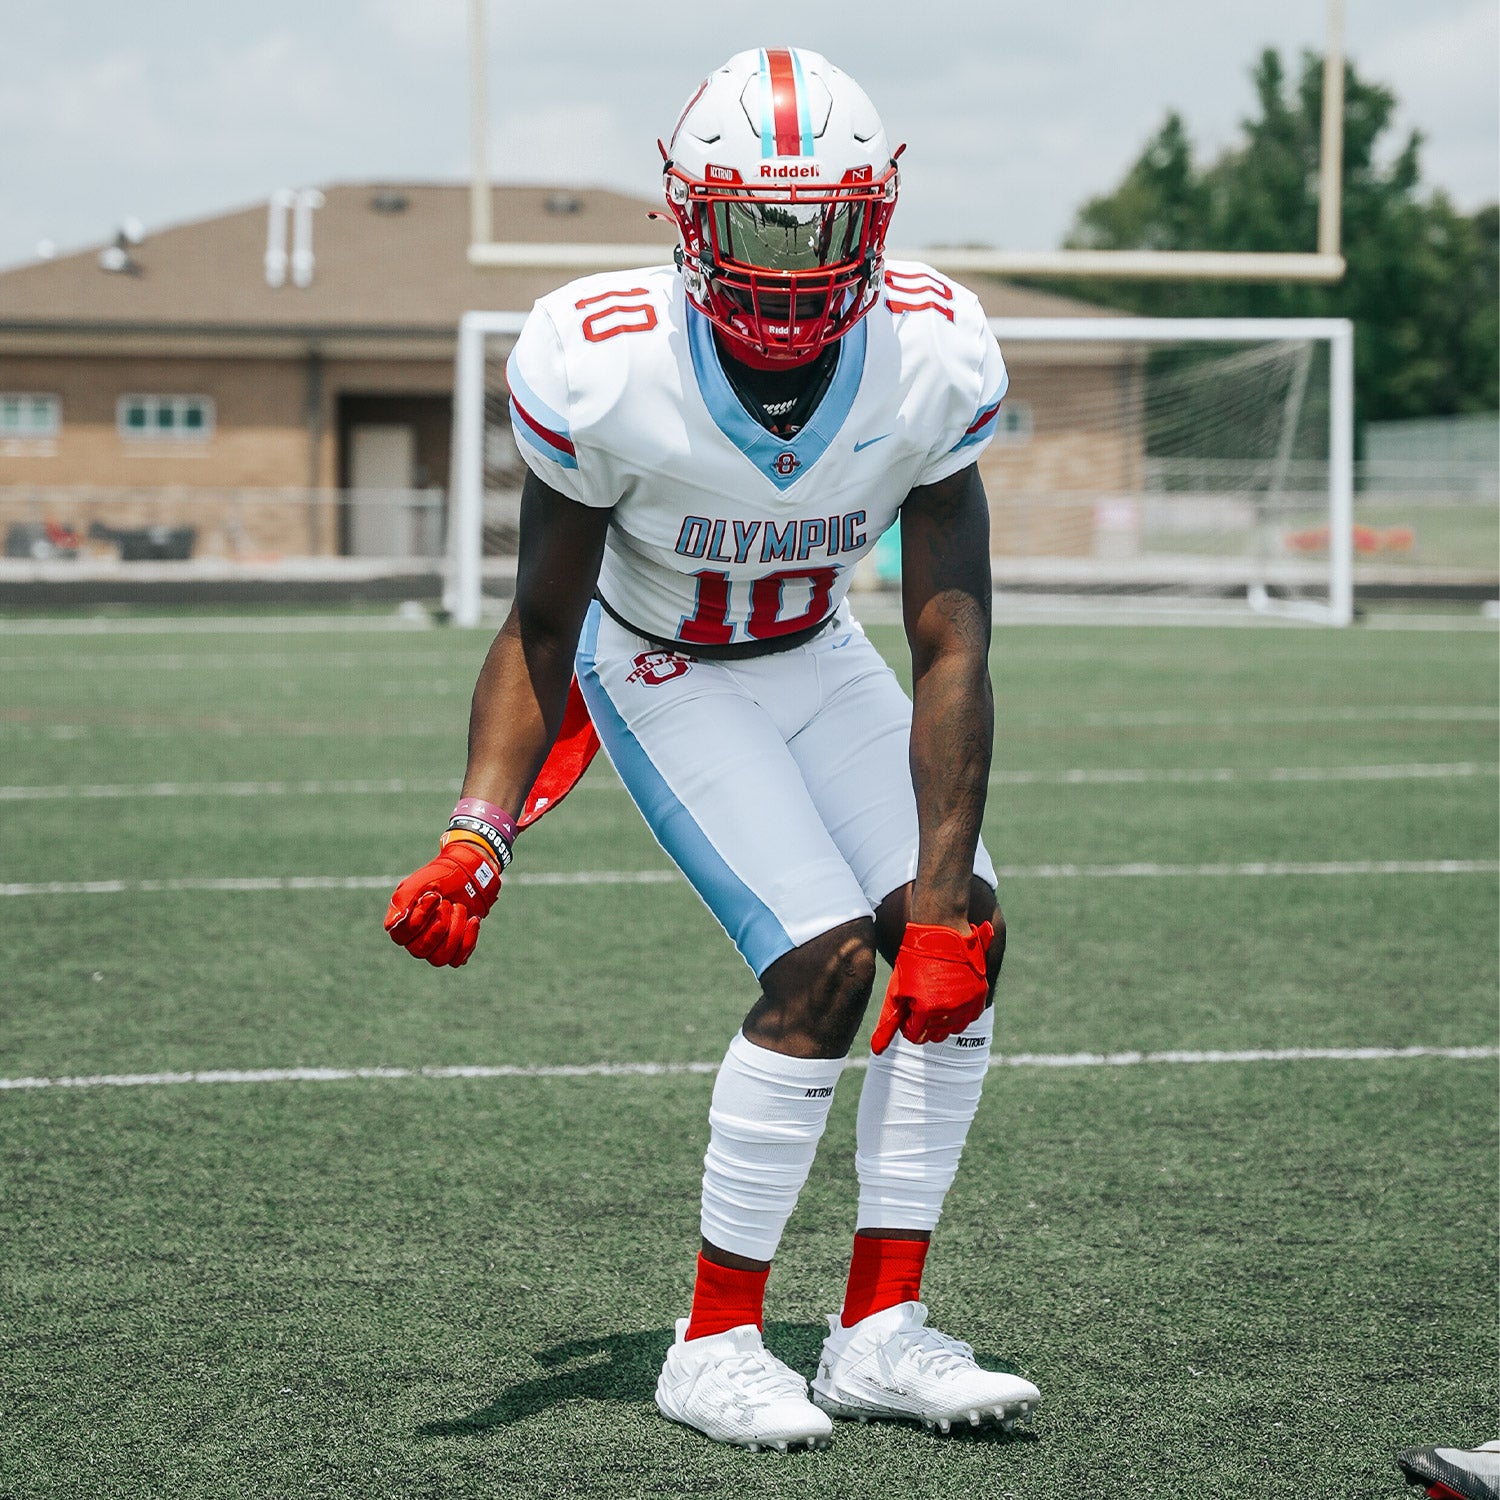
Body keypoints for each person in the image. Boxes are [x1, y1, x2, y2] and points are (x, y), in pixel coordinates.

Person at [385, 46, 1040, 1452]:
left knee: (963, 934)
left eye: (820, 227)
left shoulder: (929, 352)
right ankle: (715, 1344)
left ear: (876, 216)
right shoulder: (605, 362)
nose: (790, 266)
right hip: (663, 665)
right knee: (827, 966)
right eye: (758, 223)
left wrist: (939, 908)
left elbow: (953, 642)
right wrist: (477, 829)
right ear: (688, 213)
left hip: (818, 654)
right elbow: (543, 621)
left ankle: (879, 1333)